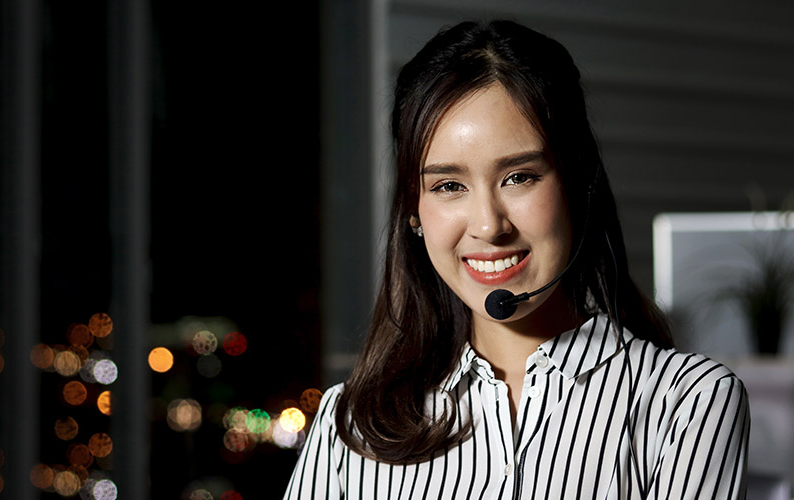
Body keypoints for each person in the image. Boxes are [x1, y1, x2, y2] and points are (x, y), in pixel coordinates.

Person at [285, 20, 749, 499]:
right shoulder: (354, 423)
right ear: (413, 212)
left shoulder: (687, 402)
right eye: (448, 186)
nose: (489, 225)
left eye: (520, 176)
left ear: (579, 183)